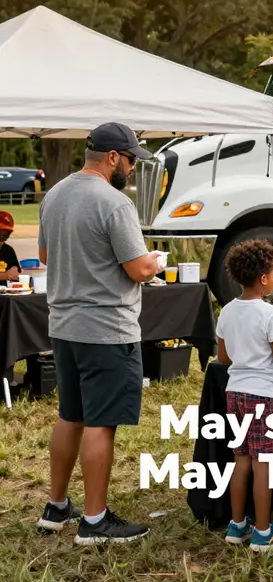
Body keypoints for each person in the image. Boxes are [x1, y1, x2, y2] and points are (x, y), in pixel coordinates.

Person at [36, 122, 164, 544]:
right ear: (112, 158)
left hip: (63, 326)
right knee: (101, 423)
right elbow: (138, 268)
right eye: (130, 159)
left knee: (70, 415)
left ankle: (56, 506)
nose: (131, 167)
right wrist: (155, 261)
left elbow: (45, 255)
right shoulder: (114, 202)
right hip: (107, 329)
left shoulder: (55, 194)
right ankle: (94, 521)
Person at [215, 239, 273, 551]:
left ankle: (237, 525)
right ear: (264, 278)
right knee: (263, 464)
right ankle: (264, 532)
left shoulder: (226, 311)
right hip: (263, 396)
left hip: (234, 394)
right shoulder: (271, 314)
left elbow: (223, 357)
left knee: (241, 459)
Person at [0, 210, 20, 282]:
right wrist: (5, 275)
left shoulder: (8, 250)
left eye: (5, 236)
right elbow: (9, 275)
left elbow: (15, 271)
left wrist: (15, 270)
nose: (1, 240)